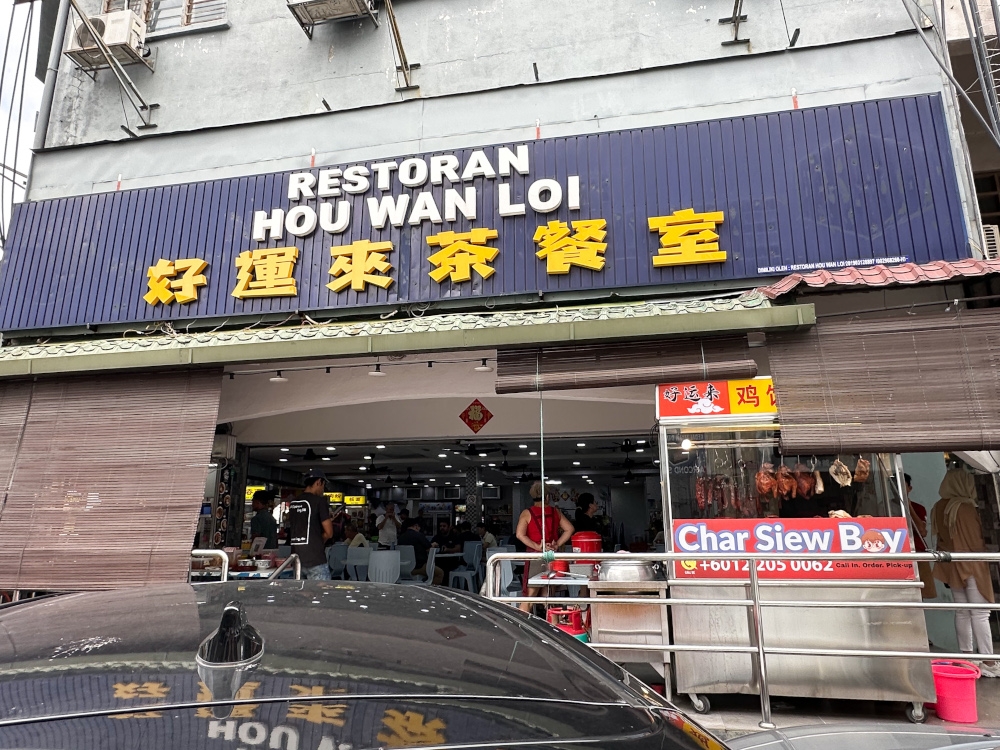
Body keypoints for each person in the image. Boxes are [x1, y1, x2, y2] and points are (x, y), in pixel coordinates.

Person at [931, 467, 998, 676]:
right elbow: (976, 541)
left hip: (951, 565)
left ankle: (967, 657)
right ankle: (989, 661)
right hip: (973, 565)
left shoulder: (939, 507)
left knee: (962, 611)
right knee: (980, 613)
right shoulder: (965, 508)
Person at [515, 481, 574, 613]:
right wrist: (557, 544)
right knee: (548, 596)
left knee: (529, 598)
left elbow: (519, 534)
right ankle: (550, 623)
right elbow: (569, 529)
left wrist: (537, 546)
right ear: (547, 496)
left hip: (535, 556)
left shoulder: (527, 513)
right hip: (551, 556)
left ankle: (522, 623)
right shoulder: (555, 512)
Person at [287, 471, 333, 580]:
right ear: (318, 482)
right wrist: (318, 541)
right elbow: (329, 533)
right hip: (315, 559)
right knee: (320, 591)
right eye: (323, 485)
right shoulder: (319, 501)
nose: (323, 490)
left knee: (301, 591)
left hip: (297, 559)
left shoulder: (293, 503)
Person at [903, 474, 937, 599]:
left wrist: (909, 507)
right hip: (899, 553)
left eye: (903, 486)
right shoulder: (885, 505)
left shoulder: (918, 508)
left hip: (917, 551)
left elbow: (922, 531)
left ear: (909, 488)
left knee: (921, 592)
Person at [398, 517, 442, 584]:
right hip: (418, 567)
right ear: (416, 526)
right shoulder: (418, 535)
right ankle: (429, 589)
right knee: (439, 573)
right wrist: (434, 544)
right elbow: (429, 547)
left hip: (402, 568)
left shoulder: (400, 538)